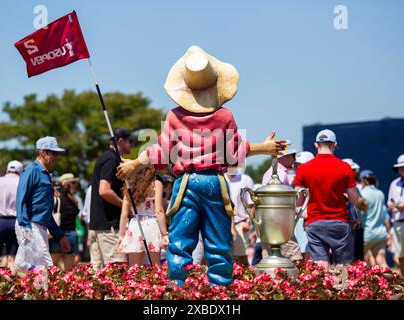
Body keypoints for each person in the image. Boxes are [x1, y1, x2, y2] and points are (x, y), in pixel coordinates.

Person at [118, 45, 286, 286]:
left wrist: (135, 162)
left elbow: (163, 153)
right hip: (214, 184)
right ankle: (219, 288)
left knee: (180, 241)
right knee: (218, 239)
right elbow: (233, 153)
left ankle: (178, 288)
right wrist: (263, 146)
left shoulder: (174, 116)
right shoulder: (225, 116)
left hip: (186, 183)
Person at [293, 129, 367, 270]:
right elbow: (353, 200)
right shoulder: (345, 168)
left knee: (321, 266)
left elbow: (298, 201)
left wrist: (305, 213)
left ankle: (323, 291)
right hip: (339, 223)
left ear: (316, 145)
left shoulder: (304, 169)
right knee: (342, 267)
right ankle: (341, 291)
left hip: (315, 223)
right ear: (335, 144)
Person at [15, 137, 71, 273]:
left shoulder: (46, 175)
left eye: (57, 154)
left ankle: (28, 291)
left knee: (37, 271)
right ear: (41, 152)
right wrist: (25, 226)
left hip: (39, 227)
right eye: (53, 153)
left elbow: (45, 212)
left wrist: (60, 235)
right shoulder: (31, 171)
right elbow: (20, 198)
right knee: (45, 270)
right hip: (30, 225)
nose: (56, 157)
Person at [89, 128, 133, 270]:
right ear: (120, 141)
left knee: (101, 273)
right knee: (117, 270)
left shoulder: (109, 158)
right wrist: (125, 206)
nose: (132, 145)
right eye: (130, 141)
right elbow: (104, 190)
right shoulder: (111, 158)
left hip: (100, 225)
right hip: (109, 225)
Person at [255, 141, 302, 265]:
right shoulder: (280, 174)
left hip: (269, 226)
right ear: (285, 156)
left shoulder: (270, 172)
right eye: (293, 156)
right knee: (295, 260)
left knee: (270, 262)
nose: (294, 160)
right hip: (280, 226)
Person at [117, 175, 169, 266]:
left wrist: (121, 235)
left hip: (135, 225)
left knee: (134, 268)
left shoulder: (130, 184)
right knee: (155, 267)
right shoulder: (156, 184)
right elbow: (159, 211)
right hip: (152, 225)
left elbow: (124, 214)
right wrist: (165, 234)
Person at [49, 173, 80, 271]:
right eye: (73, 183)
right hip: (72, 235)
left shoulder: (56, 201)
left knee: (52, 270)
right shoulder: (74, 201)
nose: (75, 185)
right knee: (69, 272)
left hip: (57, 236)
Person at [359, 170, 390, 268]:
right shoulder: (380, 193)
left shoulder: (362, 193)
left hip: (367, 233)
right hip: (380, 232)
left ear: (362, 180)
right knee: (382, 261)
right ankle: (390, 282)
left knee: (366, 262)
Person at [225, 169, 254, 265]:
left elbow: (252, 203)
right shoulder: (221, 178)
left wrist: (248, 222)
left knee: (242, 259)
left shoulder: (245, 179)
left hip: (240, 223)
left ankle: (246, 279)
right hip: (223, 223)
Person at [293, 151, 315, 262]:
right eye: (296, 164)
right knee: (299, 256)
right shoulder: (297, 180)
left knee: (308, 256)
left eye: (299, 164)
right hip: (299, 221)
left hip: (308, 220)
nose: (296, 167)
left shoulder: (312, 180)